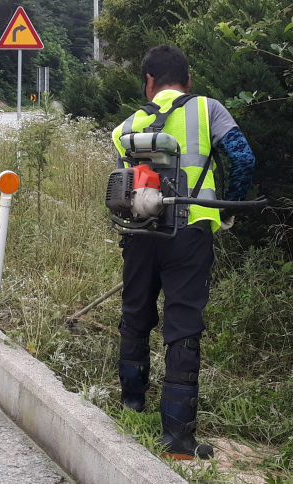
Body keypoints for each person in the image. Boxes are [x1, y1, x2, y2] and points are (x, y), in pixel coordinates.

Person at [110, 45, 256, 460]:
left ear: (149, 83)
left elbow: (128, 179)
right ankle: (177, 439)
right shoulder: (208, 109)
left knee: (135, 314)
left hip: (140, 232)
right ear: (188, 81)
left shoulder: (127, 126)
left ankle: (131, 407)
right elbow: (243, 159)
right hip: (190, 231)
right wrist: (227, 208)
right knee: (184, 323)